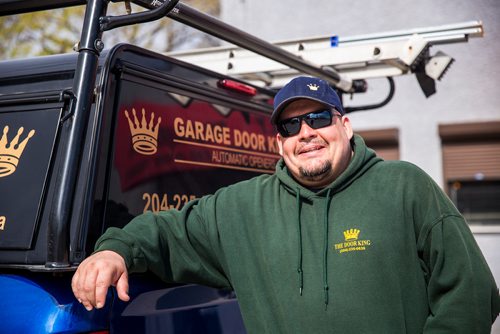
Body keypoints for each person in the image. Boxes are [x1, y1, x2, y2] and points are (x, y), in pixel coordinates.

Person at [72, 76, 500, 333]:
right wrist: (115, 250)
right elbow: (167, 231)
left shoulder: (406, 187)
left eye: (318, 118)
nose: (306, 132)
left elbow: (471, 294)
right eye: (291, 125)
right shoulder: (241, 209)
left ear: (345, 126)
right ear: (279, 143)